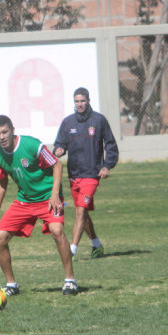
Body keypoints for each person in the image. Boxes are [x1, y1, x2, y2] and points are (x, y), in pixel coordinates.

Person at [0, 115, 78, 296]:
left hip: (47, 197)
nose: (2, 137)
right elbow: (1, 181)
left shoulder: (31, 145)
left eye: (5, 132)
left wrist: (54, 195)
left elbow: (57, 165)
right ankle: (11, 285)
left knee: (57, 231)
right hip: (24, 201)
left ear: (12, 130)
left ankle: (70, 280)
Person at [53, 87, 119, 260]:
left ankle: (71, 250)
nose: (80, 104)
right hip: (74, 175)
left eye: (82, 101)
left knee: (81, 212)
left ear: (88, 101)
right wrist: (59, 149)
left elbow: (110, 145)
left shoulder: (99, 120)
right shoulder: (68, 122)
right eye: (77, 101)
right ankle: (96, 245)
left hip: (91, 175)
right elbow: (60, 143)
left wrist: (107, 166)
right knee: (81, 213)